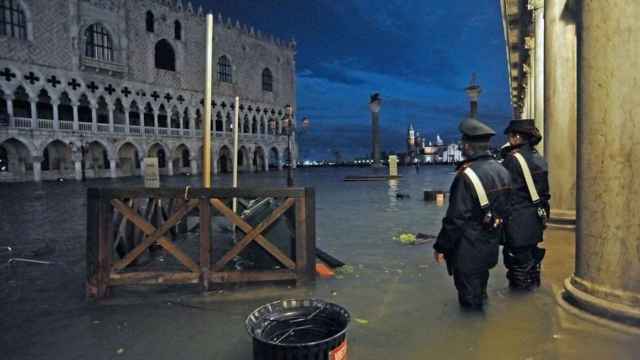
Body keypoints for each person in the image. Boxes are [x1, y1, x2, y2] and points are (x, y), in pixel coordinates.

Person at [433, 118, 512, 310]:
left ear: (468, 146)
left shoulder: (466, 176)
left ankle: (473, 335)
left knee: (469, 302)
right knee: (480, 291)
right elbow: (506, 209)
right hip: (490, 245)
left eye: (463, 144)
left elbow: (455, 220)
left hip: (468, 250)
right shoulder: (502, 171)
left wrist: (441, 247)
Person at [501, 119, 550, 290]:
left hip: (517, 223)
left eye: (510, 136)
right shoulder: (539, 158)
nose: (508, 140)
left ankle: (519, 307)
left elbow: (505, 194)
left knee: (517, 268)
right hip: (535, 220)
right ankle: (534, 298)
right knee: (531, 261)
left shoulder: (512, 160)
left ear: (517, 137)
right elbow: (544, 193)